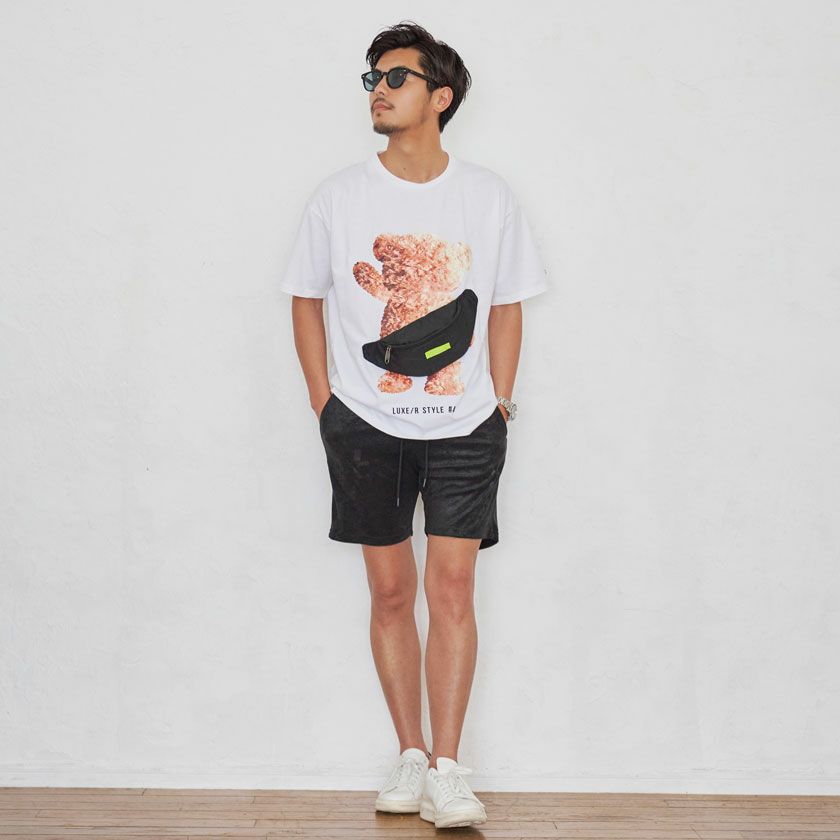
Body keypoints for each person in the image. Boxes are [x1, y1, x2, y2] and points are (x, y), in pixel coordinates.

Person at [279, 20, 549, 830]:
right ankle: (408, 752)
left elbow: (506, 304)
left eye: (396, 77)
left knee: (453, 588)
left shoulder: (488, 196)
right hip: (365, 422)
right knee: (391, 591)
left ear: (441, 96)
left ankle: (448, 770)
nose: (379, 90)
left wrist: (502, 400)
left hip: (466, 424)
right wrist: (325, 402)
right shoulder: (339, 196)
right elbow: (306, 298)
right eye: (372, 78)